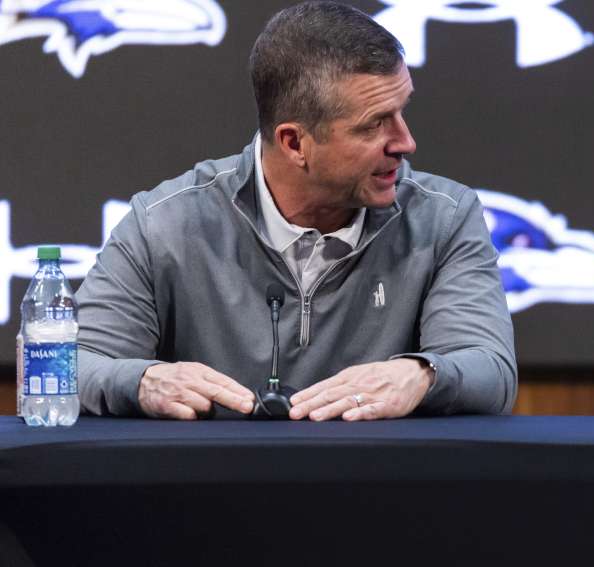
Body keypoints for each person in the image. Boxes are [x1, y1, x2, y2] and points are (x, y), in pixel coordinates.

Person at [76, 1, 516, 421]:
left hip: (376, 489)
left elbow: (490, 368)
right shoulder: (165, 222)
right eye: (374, 124)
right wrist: (143, 381)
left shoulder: (443, 217)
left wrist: (420, 374)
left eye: (401, 111)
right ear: (294, 143)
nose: (405, 142)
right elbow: (66, 367)